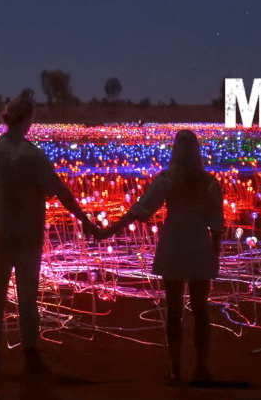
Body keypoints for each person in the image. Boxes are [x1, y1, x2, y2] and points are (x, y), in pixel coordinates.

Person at [0, 93, 101, 376]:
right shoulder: (32, 156)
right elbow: (60, 192)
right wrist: (86, 222)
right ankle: (30, 355)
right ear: (28, 119)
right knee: (27, 299)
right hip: (26, 237)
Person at [98, 129, 223, 384]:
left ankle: (176, 369)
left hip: (174, 242)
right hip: (199, 244)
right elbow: (216, 224)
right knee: (201, 311)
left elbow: (141, 209)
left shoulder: (166, 179)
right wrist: (215, 254)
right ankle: (200, 368)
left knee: (174, 310)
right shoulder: (209, 182)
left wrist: (109, 230)